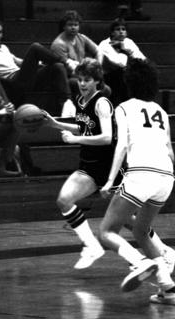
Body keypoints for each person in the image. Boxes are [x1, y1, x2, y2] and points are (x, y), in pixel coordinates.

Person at [99, 58, 175, 305]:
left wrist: (109, 180)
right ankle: (169, 290)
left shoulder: (124, 108)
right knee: (141, 231)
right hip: (166, 176)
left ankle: (141, 262)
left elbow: (123, 146)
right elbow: (171, 152)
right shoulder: (162, 112)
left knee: (106, 231)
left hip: (142, 173)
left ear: (129, 83)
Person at [45, 58, 120, 269]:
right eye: (80, 79)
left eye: (87, 80)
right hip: (89, 165)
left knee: (130, 221)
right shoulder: (80, 101)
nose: (82, 83)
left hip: (108, 167)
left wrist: (76, 140)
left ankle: (161, 251)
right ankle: (91, 245)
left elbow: (106, 137)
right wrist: (54, 123)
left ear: (97, 81)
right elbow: (82, 128)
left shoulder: (102, 102)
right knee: (63, 200)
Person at [0, 19, 72, 115]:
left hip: (23, 76)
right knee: (35, 47)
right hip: (13, 82)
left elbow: (19, 61)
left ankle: (67, 104)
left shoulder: (4, 48)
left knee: (57, 66)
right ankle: (67, 63)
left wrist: (40, 63)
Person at [51, 10, 110, 109]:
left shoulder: (81, 37)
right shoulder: (58, 44)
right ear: (64, 26)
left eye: (76, 24)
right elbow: (70, 71)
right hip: (66, 79)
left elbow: (99, 51)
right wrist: (92, 77)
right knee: (87, 85)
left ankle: (96, 110)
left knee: (106, 90)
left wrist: (97, 68)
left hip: (82, 75)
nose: (73, 27)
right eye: (70, 25)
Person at [98, 17, 146, 106]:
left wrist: (124, 47)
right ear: (112, 32)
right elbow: (120, 63)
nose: (121, 32)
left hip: (124, 76)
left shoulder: (129, 42)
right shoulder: (104, 44)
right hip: (108, 77)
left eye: (123, 29)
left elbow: (142, 59)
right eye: (118, 29)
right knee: (121, 74)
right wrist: (126, 51)